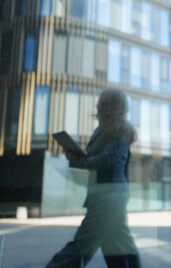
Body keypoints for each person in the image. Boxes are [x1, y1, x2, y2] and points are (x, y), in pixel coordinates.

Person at [47, 89, 141, 268]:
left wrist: (78, 160)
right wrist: (75, 156)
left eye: (101, 103)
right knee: (118, 247)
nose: (97, 105)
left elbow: (107, 159)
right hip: (105, 193)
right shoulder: (102, 130)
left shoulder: (121, 130)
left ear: (108, 107)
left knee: (82, 245)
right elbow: (93, 158)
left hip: (109, 195)